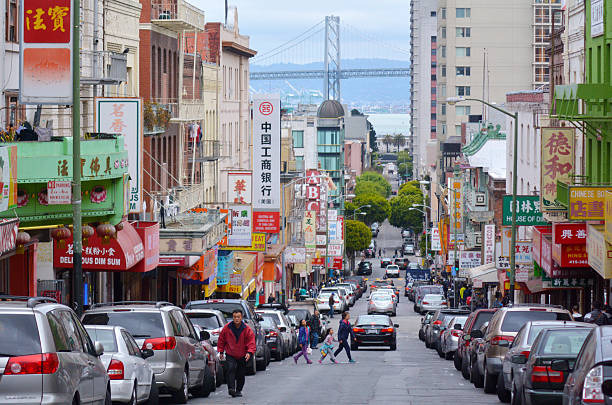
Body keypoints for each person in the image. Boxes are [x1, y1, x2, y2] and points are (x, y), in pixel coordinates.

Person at [216, 309, 256, 398]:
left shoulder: (246, 329)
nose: (236, 319)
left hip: (243, 354)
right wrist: (221, 351)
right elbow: (221, 340)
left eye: (238, 317)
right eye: (234, 317)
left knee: (241, 373)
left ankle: (238, 390)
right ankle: (231, 388)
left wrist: (249, 352)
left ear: (241, 317)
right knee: (231, 368)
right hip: (231, 353)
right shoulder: (227, 328)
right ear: (232, 318)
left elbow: (251, 342)